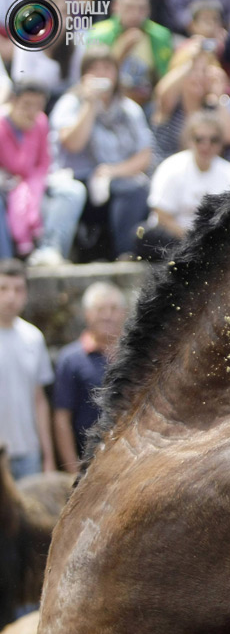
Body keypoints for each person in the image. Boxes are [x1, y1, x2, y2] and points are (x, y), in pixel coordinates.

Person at [49, 45, 153, 261]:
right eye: (94, 69)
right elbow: (73, 144)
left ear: (116, 73)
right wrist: (90, 104)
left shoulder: (129, 109)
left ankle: (125, 254)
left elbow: (144, 156)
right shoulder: (70, 103)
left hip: (117, 178)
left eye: (107, 68)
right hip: (79, 179)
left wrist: (112, 171)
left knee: (137, 189)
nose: (101, 74)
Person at [0, 81, 85, 264]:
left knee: (73, 191)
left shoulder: (40, 122)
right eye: (27, 105)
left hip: (35, 183)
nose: (32, 112)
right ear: (13, 101)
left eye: (38, 106)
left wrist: (31, 187)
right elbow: (15, 166)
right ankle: (5, 262)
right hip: (7, 187)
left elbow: (44, 163)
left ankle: (50, 251)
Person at [143, 111, 230, 258]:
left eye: (213, 140)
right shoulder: (171, 167)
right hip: (175, 237)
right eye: (199, 139)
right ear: (189, 140)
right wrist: (191, 238)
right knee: (144, 236)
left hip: (212, 241)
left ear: (221, 143)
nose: (206, 145)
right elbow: (162, 215)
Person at [53, 282, 127, 473]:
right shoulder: (70, 359)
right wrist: (72, 471)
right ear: (87, 314)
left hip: (130, 461)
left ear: (124, 313)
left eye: (113, 309)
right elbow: (62, 418)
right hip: (88, 464)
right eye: (100, 309)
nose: (107, 315)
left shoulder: (137, 356)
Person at [0, 259, 55, 480]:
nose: (11, 296)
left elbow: (39, 399)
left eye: (18, 289)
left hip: (29, 452)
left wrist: (48, 455)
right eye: (3, 288)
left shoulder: (33, 337)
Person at [150, 42, 230, 165]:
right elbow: (161, 95)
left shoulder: (214, 107)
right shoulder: (171, 105)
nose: (198, 76)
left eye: (204, 71)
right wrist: (192, 61)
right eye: (193, 70)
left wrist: (219, 96)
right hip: (171, 173)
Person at [86, 0, 174, 106]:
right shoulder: (98, 33)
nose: (135, 14)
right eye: (129, 8)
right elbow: (93, 78)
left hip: (151, 104)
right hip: (109, 101)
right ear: (116, 6)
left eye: (141, 8)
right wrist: (122, 50)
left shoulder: (160, 36)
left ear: (149, 9)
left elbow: (165, 77)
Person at [8, 0, 82, 104]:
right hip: (32, 102)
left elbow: (77, 83)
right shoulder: (27, 42)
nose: (59, 17)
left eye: (63, 12)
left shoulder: (75, 44)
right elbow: (20, 80)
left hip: (63, 102)